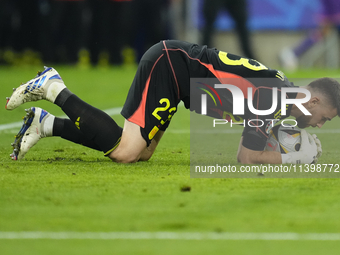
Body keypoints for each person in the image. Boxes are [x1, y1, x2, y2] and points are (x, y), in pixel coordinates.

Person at [5, 40, 339, 164]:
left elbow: (259, 134)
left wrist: (285, 145)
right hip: (170, 67)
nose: (321, 125)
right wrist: (293, 158)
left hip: (179, 84)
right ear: (313, 102)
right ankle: (52, 87)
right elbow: (247, 157)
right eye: (325, 117)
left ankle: (45, 123)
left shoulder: (282, 99)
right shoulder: (274, 97)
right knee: (127, 152)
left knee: (144, 153)